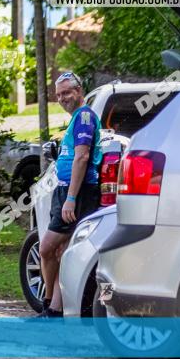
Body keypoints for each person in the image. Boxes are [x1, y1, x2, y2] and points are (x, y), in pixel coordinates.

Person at [37, 71, 102, 317]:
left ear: (79, 90)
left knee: (46, 248)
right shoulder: (77, 117)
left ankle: (48, 302)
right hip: (66, 189)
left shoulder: (85, 116)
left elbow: (83, 156)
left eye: (67, 92)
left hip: (79, 192)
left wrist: (71, 198)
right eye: (59, 94)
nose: (63, 98)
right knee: (62, 251)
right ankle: (54, 309)